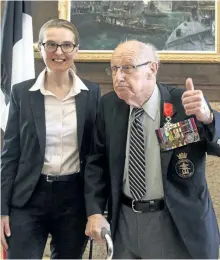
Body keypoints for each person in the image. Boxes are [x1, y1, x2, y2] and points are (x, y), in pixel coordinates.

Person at [84, 40, 220, 259]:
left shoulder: (183, 104)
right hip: (126, 222)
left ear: (152, 69)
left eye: (127, 68)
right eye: (114, 69)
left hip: (176, 223)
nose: (118, 77)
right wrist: (95, 211)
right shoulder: (109, 106)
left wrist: (209, 118)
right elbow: (96, 163)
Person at [1, 18, 100, 259]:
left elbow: (96, 155)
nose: (59, 52)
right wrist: (2, 208)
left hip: (74, 199)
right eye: (51, 44)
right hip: (28, 197)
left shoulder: (92, 93)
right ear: (40, 47)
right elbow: (10, 154)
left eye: (67, 45)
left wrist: (96, 208)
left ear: (76, 49)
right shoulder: (22, 93)